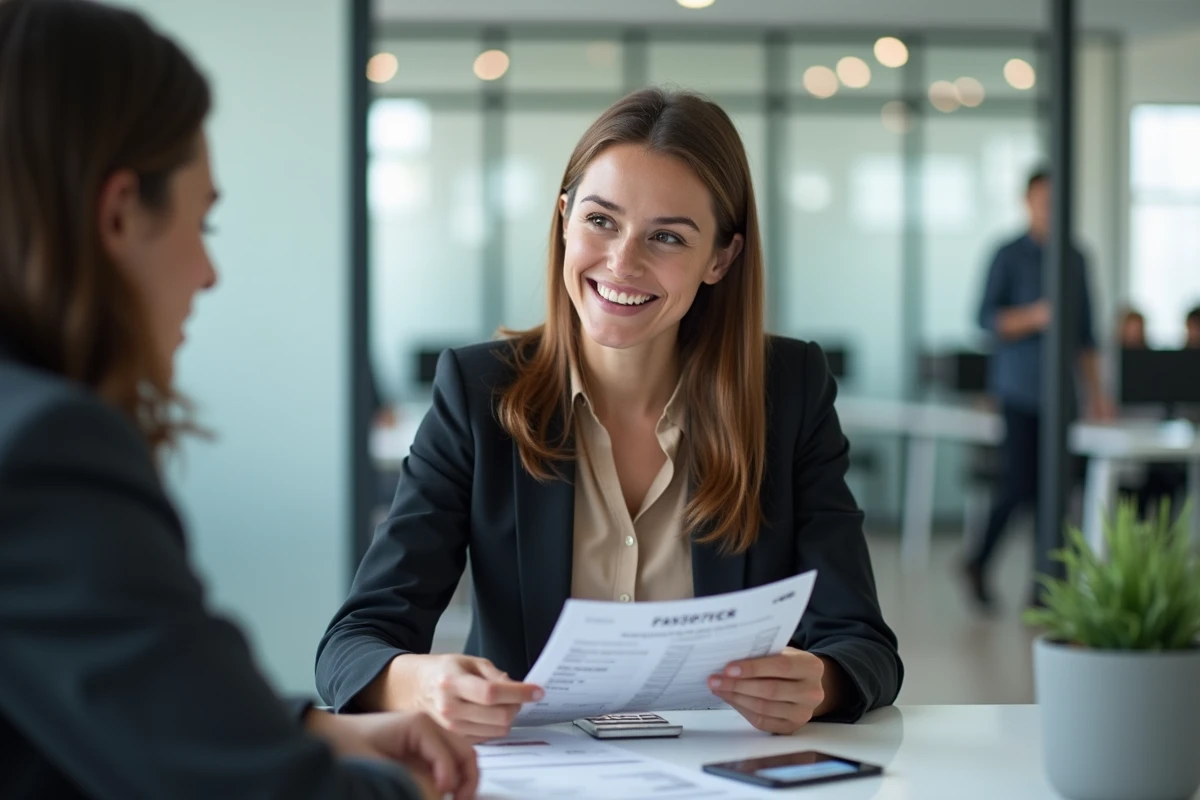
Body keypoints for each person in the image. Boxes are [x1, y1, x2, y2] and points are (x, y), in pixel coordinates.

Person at [316, 88, 903, 740]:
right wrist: (422, 684)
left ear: (721, 258)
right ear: (564, 218)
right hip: (535, 773)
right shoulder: (478, 393)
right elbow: (352, 645)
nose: (623, 262)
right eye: (601, 220)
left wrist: (820, 683)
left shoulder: (788, 392)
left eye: (667, 237)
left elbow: (864, 646)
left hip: (720, 772)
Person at [0, 2, 477, 799]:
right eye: (203, 224)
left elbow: (110, 701)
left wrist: (314, 730)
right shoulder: (45, 449)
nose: (209, 273)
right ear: (118, 214)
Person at [962, 169, 1114, 611]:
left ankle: (1045, 586)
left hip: (1062, 395)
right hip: (1018, 391)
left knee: (1058, 492)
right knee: (1019, 485)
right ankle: (978, 560)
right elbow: (985, 319)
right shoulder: (1007, 254)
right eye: (1043, 200)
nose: (1050, 208)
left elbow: (1086, 336)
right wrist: (1035, 316)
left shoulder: (1077, 258)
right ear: (1028, 202)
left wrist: (1098, 394)